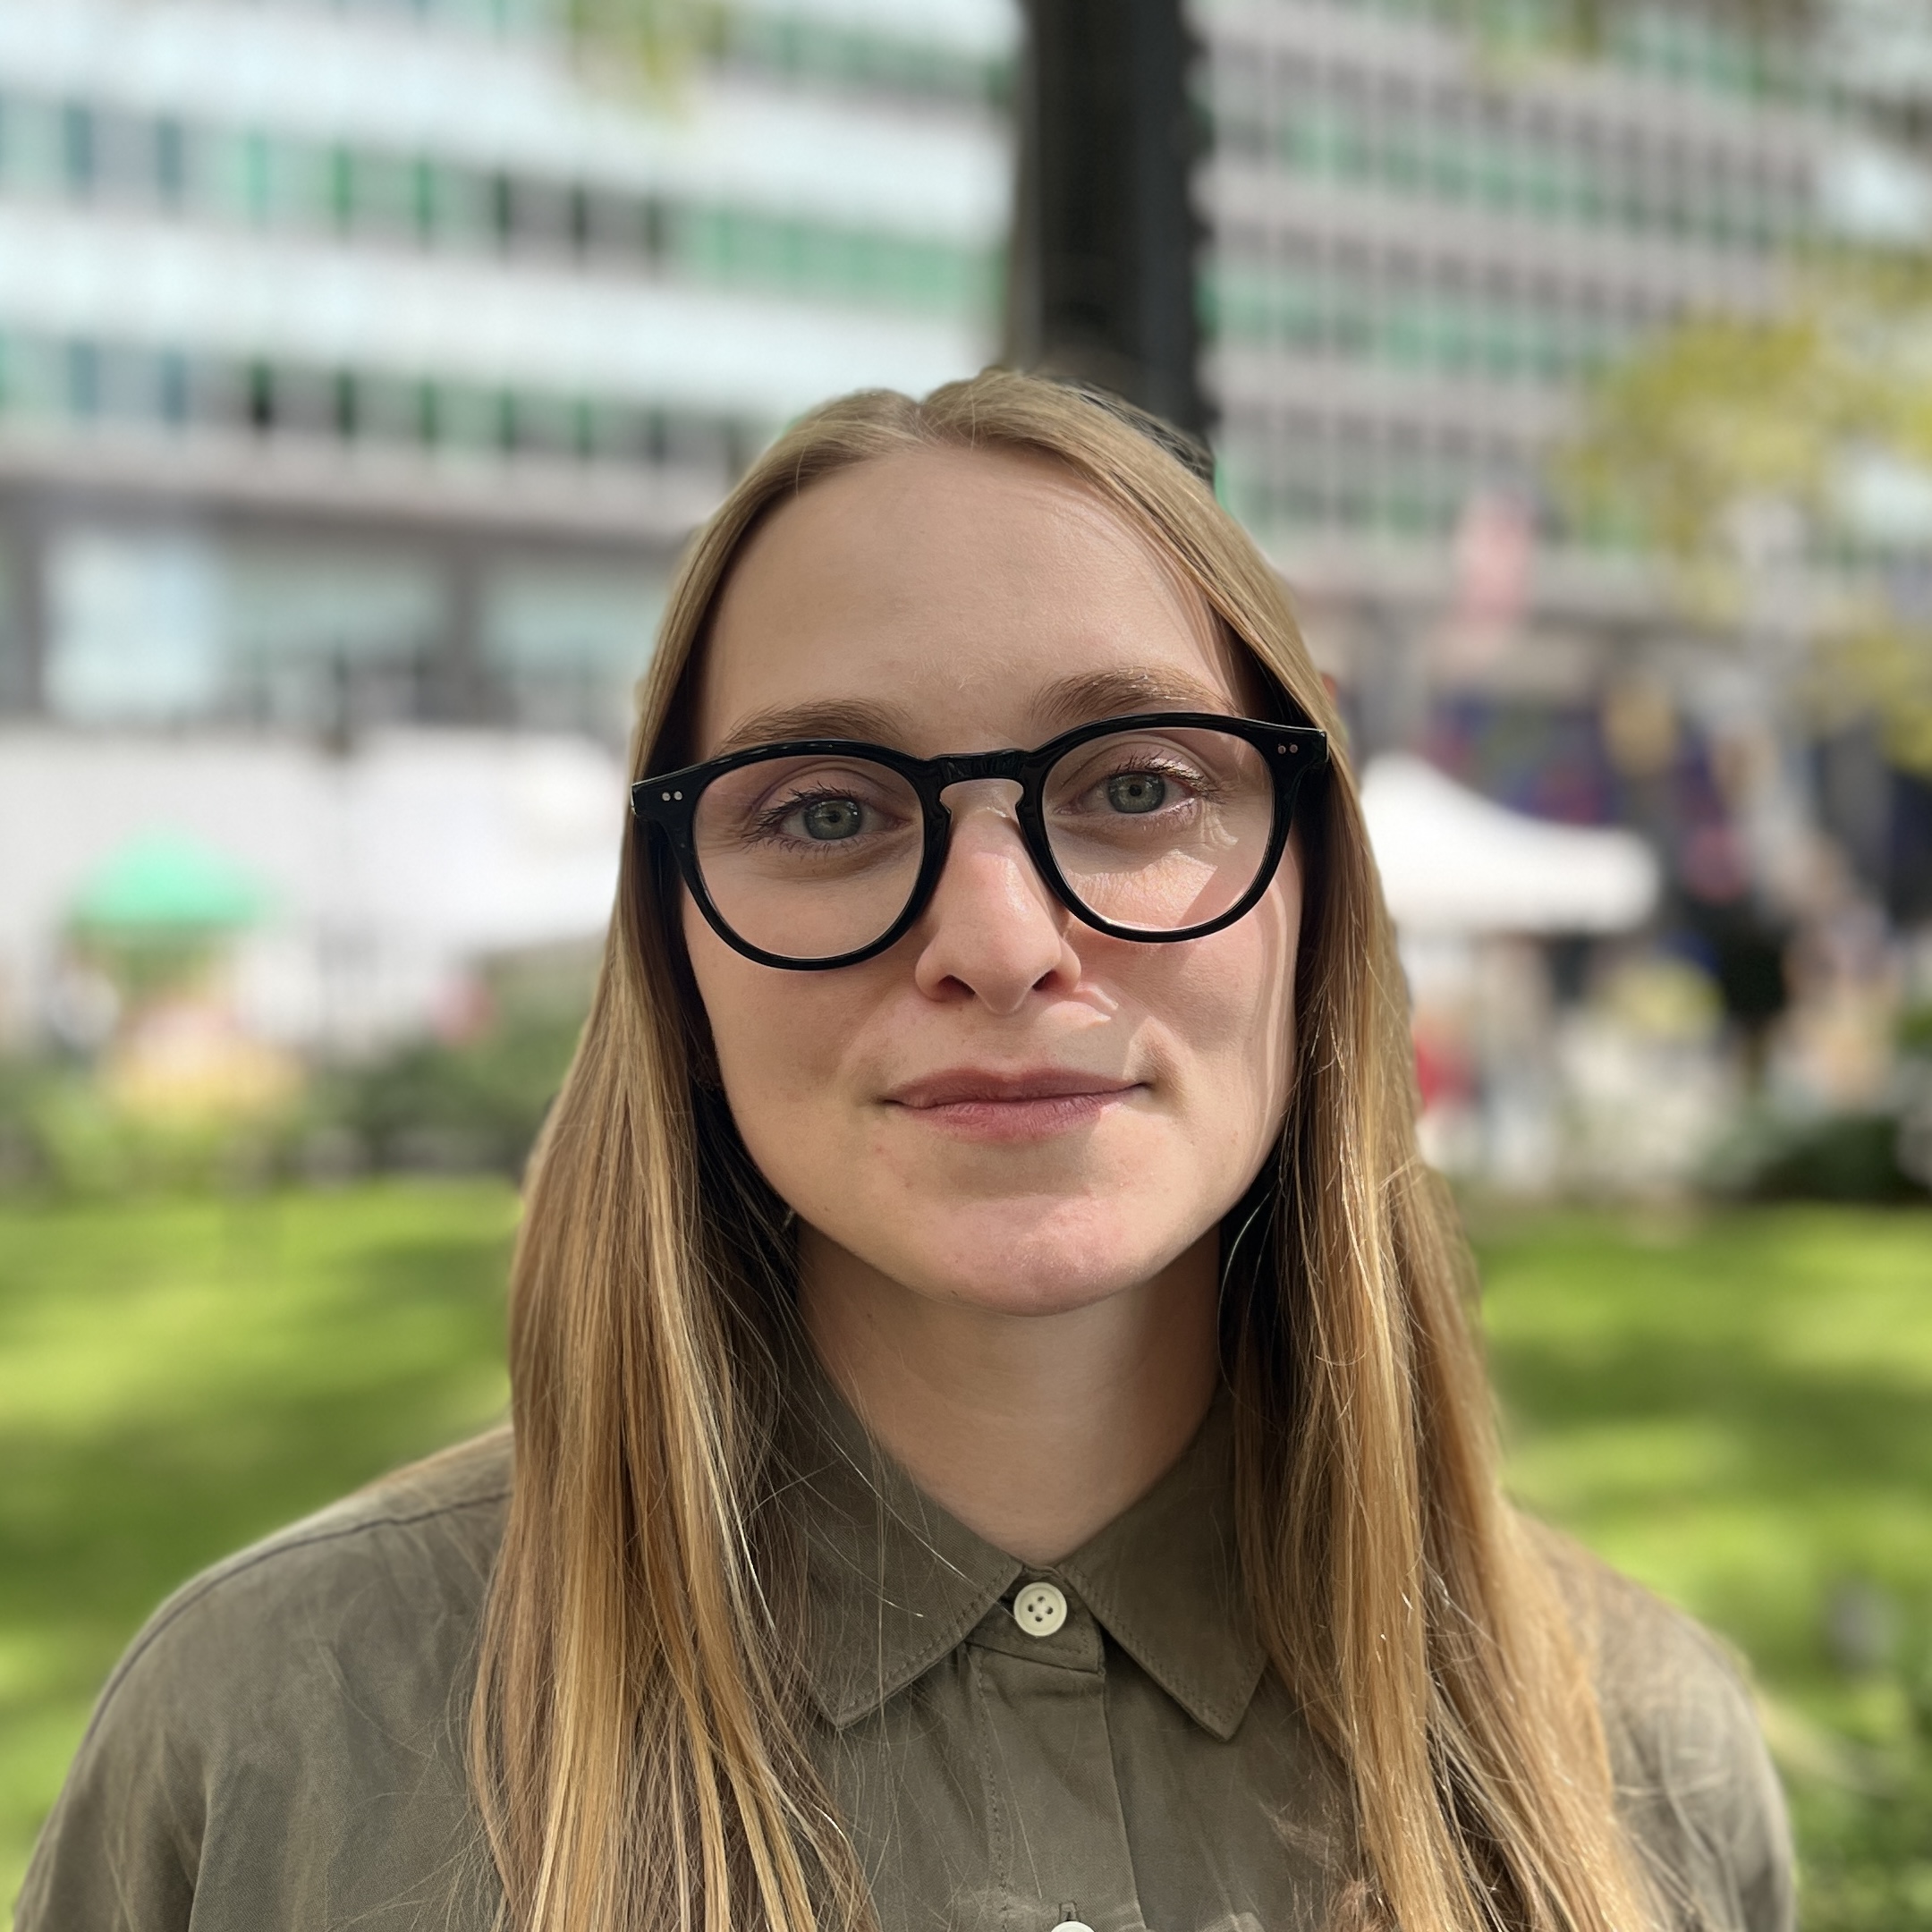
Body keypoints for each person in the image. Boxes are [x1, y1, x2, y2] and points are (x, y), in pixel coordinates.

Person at [18, 372, 1791, 1932]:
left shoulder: (1638, 1746)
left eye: (1140, 785)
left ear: (1311, 895)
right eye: (828, 812)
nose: (1003, 937)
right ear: (673, 948)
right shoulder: (270, 1740)